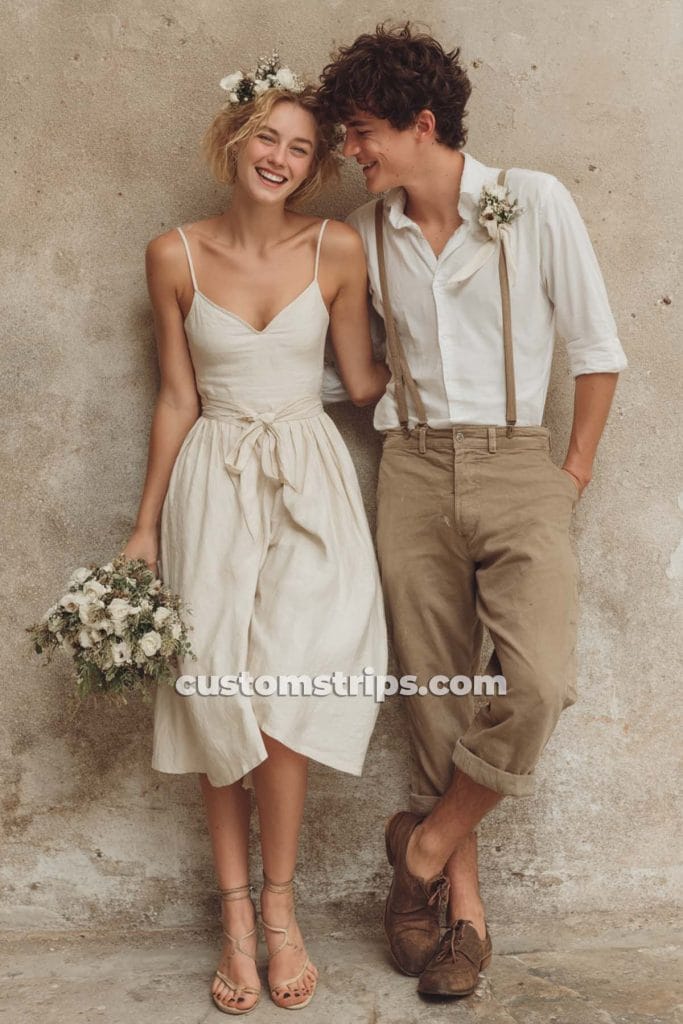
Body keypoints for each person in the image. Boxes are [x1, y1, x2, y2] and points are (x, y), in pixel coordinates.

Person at [318, 23, 628, 999]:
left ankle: (422, 845)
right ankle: (462, 917)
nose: (348, 151)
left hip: (514, 463)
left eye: (360, 131)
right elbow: (352, 375)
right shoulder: (365, 233)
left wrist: (567, 474)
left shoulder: (529, 202)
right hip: (408, 469)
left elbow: (594, 348)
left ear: (420, 123)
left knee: (535, 683)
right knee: (436, 696)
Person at [122, 56, 389, 1015]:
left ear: (316, 167)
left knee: (285, 703)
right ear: (236, 141)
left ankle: (280, 911)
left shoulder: (336, 249)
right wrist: (145, 528)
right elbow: (176, 395)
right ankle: (235, 917)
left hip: (312, 482)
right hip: (214, 481)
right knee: (219, 699)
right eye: (266, 138)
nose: (279, 157)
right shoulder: (172, 255)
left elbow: (361, 383)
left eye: (301, 148)